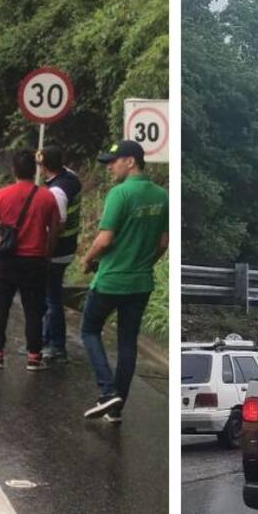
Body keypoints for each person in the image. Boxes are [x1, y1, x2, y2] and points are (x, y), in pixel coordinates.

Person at [80, 140, 168, 423]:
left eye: (113, 161)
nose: (109, 167)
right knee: (127, 343)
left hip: (111, 280)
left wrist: (87, 259)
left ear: (130, 162)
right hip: (141, 283)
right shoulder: (162, 195)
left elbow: (104, 239)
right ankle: (116, 408)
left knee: (89, 330)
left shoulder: (120, 194)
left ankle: (107, 393)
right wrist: (144, 264)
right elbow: (164, 243)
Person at [0, 150, 60, 371]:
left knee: (0, 307)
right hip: (35, 261)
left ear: (13, 170)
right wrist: (48, 253)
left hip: (6, 261)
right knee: (34, 310)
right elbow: (54, 228)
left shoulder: (2, 195)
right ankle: (34, 356)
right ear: (34, 170)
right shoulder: (47, 196)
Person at [38, 147, 83, 361]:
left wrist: (46, 253)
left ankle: (56, 345)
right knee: (50, 297)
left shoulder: (57, 192)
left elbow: (58, 226)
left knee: (51, 299)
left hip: (57, 251)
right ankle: (45, 340)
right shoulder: (72, 178)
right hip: (69, 248)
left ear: (44, 166)